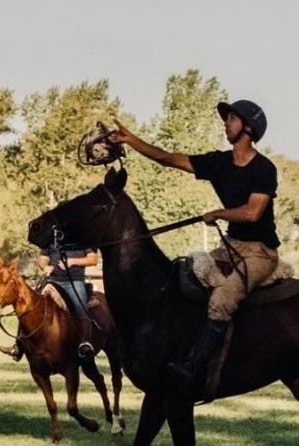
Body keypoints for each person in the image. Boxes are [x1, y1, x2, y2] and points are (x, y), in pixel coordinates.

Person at [107, 99, 280, 395]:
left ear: (249, 128)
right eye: (226, 119)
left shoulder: (265, 169)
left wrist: (219, 213)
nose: (226, 122)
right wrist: (130, 139)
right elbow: (168, 159)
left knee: (223, 298)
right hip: (233, 246)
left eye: (232, 119)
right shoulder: (219, 162)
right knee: (184, 274)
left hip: (261, 253)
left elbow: (253, 212)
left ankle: (194, 366)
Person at [0, 246, 100, 361]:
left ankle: (85, 343)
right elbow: (42, 259)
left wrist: (72, 262)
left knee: (81, 308)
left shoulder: (82, 236)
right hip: (52, 280)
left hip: (74, 281)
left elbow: (94, 259)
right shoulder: (51, 236)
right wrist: (45, 266)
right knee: (28, 306)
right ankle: (18, 346)